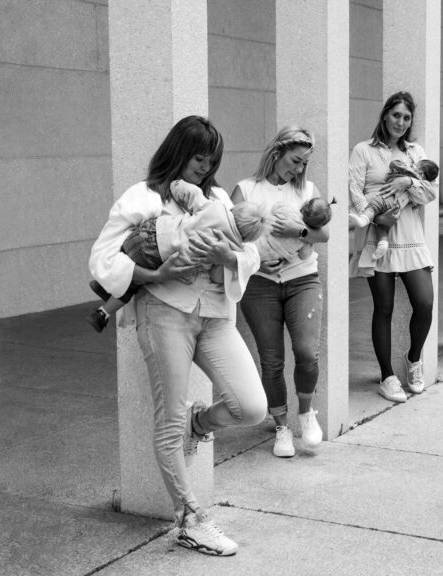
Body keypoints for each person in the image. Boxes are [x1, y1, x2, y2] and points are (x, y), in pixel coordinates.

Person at [88, 115, 267, 556]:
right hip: (164, 313)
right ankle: (191, 520)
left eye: (211, 161)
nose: (204, 167)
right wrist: (155, 273)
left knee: (251, 407)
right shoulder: (144, 195)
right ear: (178, 152)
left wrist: (230, 256)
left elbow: (252, 254)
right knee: (168, 419)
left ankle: (198, 423)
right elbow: (102, 258)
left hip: (216, 315)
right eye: (198, 158)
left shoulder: (219, 198)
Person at [233, 126, 329, 459]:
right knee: (271, 359)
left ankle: (306, 413)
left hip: (303, 278)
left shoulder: (308, 190)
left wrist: (298, 230)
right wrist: (257, 263)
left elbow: (323, 234)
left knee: (307, 352)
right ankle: (281, 427)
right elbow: (231, 238)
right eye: (295, 160)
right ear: (276, 153)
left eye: (304, 163)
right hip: (259, 285)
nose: (299, 169)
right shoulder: (246, 190)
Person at [348, 91, 438, 402]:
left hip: (410, 233)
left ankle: (413, 360)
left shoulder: (415, 152)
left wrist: (408, 183)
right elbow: (353, 189)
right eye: (396, 115)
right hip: (377, 233)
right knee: (383, 307)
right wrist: (373, 214)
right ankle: (387, 376)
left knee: (424, 303)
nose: (400, 122)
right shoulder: (363, 150)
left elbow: (430, 193)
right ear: (385, 115)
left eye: (406, 117)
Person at [85, 179, 267, 332]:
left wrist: (176, 184)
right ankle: (103, 313)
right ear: (247, 238)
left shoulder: (216, 208)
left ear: (234, 210)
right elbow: (215, 275)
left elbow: (193, 195)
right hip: (162, 259)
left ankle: (105, 287)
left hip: (150, 234)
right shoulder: (231, 247)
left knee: (128, 264)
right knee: (135, 284)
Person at [351, 158, 439, 259]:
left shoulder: (409, 173)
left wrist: (405, 167)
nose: (412, 165)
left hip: (388, 198)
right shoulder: (421, 184)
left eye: (415, 165)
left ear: (421, 173)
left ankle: (364, 219)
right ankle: (383, 244)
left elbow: (394, 163)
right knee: (382, 226)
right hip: (398, 206)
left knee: (374, 205)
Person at [254, 196, 332, 265]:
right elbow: (303, 256)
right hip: (272, 257)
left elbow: (274, 208)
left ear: (306, 203)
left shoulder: (289, 208)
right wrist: (311, 242)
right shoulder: (306, 241)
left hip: (263, 239)